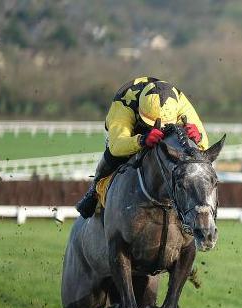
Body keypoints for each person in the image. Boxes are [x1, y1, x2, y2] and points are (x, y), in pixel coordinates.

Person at [75, 76, 209, 218]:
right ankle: (93, 191)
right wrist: (142, 140)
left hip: (171, 128)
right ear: (140, 108)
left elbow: (203, 145)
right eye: (150, 122)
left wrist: (198, 137)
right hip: (134, 131)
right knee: (113, 155)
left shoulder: (180, 102)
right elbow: (116, 146)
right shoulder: (123, 104)